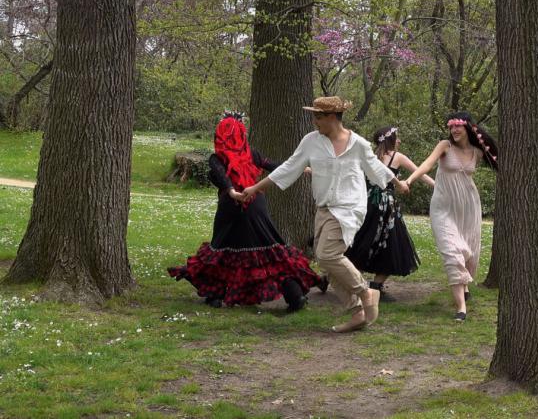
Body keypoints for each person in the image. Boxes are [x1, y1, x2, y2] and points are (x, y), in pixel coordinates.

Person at [242, 96, 410, 333]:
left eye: (318, 117)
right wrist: (256, 188)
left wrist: (397, 182)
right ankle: (357, 312)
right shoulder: (311, 141)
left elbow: (375, 167)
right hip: (324, 207)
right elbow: (290, 167)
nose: (314, 122)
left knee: (327, 254)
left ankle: (365, 292)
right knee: (325, 261)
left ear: (332, 117)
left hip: (350, 207)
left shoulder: (358, 144)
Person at [168, 111, 324, 312]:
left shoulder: (216, 158)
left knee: (221, 248)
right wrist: (301, 168)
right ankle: (294, 296)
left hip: (231, 207)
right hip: (255, 204)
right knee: (271, 250)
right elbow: (275, 167)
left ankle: (214, 295)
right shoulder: (252, 154)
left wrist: (233, 193)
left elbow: (223, 178)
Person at [404, 112, 498, 321]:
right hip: (443, 207)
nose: (454, 130)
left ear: (468, 129)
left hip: (469, 207)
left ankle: (463, 287)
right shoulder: (445, 145)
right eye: (452, 127)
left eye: (459, 127)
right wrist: (409, 181)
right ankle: (461, 308)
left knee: (468, 251)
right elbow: (427, 164)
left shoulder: (477, 152)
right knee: (452, 251)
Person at [345, 126, 435, 301]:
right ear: (391, 140)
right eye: (397, 138)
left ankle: (342, 278)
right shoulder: (397, 157)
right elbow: (420, 172)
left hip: (366, 204)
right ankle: (375, 285)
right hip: (386, 208)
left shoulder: (369, 156)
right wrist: (438, 186)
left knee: (361, 242)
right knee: (392, 245)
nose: (399, 141)